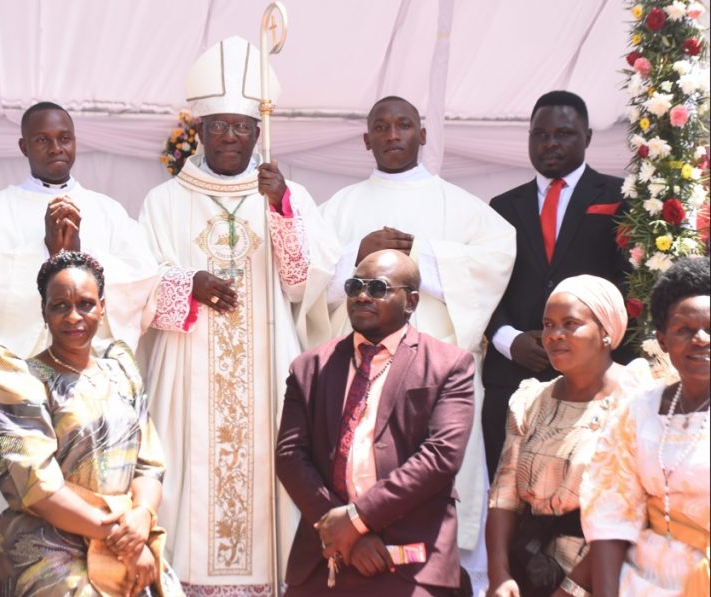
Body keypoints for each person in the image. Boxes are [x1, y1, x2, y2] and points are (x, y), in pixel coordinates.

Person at [136, 35, 341, 594]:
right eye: (220, 125)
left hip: (267, 370)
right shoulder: (164, 202)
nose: (231, 136)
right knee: (187, 468)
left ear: (257, 131)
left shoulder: (288, 195)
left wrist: (281, 210)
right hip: (187, 367)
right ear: (199, 130)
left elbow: (302, 284)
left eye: (242, 127)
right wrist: (187, 284)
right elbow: (137, 284)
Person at [319, 95, 515, 555]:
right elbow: (307, 285)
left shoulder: (462, 207)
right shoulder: (337, 209)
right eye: (381, 127)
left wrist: (419, 255)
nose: (393, 135)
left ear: (422, 134)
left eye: (404, 125)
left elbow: (497, 259)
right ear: (366, 139)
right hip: (358, 375)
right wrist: (357, 253)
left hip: (435, 377)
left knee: (433, 486)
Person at [0, 251, 184, 597]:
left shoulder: (121, 371)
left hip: (127, 534)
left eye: (86, 304)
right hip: (49, 543)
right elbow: (39, 488)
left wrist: (142, 515)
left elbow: (149, 466)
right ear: (44, 312)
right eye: (60, 306)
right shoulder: (21, 383)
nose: (73, 316)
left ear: (102, 307)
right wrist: (122, 539)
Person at [276, 249, 475, 595]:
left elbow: (441, 457)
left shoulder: (449, 365)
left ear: (411, 301)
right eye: (354, 286)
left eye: (378, 288)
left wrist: (357, 519)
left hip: (410, 561)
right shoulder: (310, 366)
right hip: (326, 560)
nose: (362, 296)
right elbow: (290, 456)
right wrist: (342, 530)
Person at [484, 91, 632, 479]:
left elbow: (629, 282)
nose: (550, 143)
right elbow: (484, 285)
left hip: (593, 379)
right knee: (508, 491)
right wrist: (509, 339)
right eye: (540, 134)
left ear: (588, 137)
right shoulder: (501, 207)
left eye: (563, 133)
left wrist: (588, 341)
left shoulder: (621, 197)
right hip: (514, 376)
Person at [485, 275, 649, 597]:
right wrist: (499, 575)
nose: (554, 335)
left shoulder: (636, 398)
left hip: (606, 575)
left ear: (605, 331)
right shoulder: (532, 400)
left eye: (570, 324)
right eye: (548, 324)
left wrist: (570, 589)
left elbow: (631, 513)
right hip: (530, 569)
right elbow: (504, 497)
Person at [0, 101, 157, 359]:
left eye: (64, 138)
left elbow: (142, 276)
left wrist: (81, 258)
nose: (56, 148)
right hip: (23, 365)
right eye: (42, 140)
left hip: (94, 362)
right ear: (24, 147)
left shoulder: (108, 210)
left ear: (75, 141)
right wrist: (46, 252)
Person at [582, 256, 710, 597]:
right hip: (641, 585)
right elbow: (609, 518)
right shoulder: (638, 411)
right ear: (663, 340)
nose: (701, 338)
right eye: (684, 330)